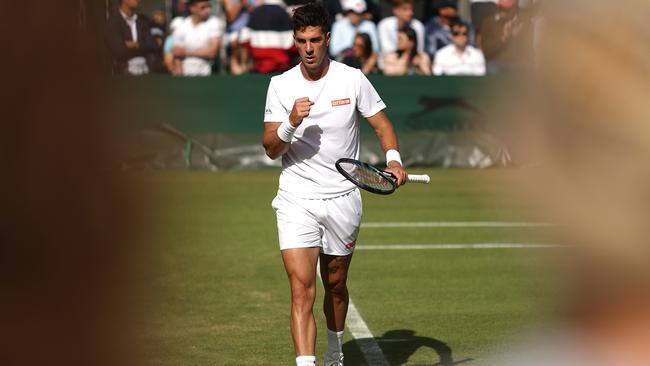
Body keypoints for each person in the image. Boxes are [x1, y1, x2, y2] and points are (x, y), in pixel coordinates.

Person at [261, 3, 408, 366]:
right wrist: (290, 122)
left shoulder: (352, 78)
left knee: (336, 284)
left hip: (343, 198)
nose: (308, 48)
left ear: (327, 38)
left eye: (314, 40)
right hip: (297, 198)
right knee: (300, 290)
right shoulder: (280, 85)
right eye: (301, 41)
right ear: (294, 42)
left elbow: (382, 126)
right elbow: (270, 149)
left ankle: (335, 351)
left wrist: (393, 160)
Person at [239, 0, 296, 73]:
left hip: (260, 66)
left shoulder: (256, 12)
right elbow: (292, 44)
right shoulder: (285, 13)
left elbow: (244, 39)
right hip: (282, 66)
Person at [105, 0, 160, 75]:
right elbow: (119, 51)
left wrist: (135, 44)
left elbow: (153, 45)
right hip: (124, 73)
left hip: (146, 71)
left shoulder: (143, 20)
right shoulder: (113, 22)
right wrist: (143, 46)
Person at [171, 0, 224, 76]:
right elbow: (177, 55)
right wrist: (181, 79)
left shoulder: (214, 22)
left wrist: (186, 52)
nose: (207, 10)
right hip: (185, 77)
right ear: (192, 8)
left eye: (209, 6)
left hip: (207, 76)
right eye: (203, 7)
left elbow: (212, 52)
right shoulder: (181, 26)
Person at [479, 0, 533, 74]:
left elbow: (528, 51)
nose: (503, 12)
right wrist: (503, 39)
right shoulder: (489, 21)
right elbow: (485, 51)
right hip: (496, 62)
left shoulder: (524, 21)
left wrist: (516, 37)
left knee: (525, 69)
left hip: (518, 64)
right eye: (501, 8)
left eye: (508, 10)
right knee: (492, 69)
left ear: (515, 5)